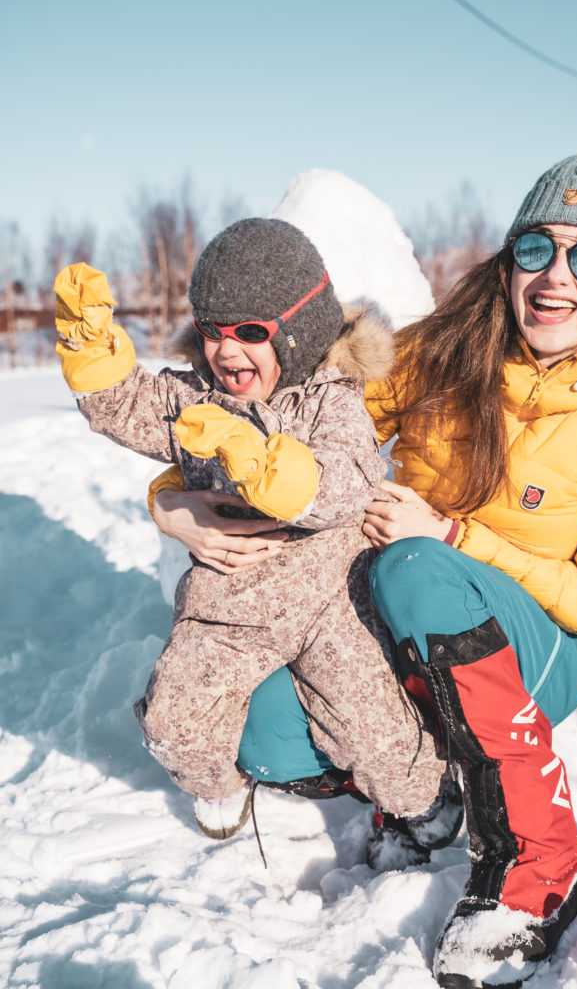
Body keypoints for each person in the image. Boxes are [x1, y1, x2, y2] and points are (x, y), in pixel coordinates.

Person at [153, 151, 577, 988]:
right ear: (507, 261)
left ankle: (541, 867)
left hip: (537, 646)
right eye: (535, 249)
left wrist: (454, 535)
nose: (556, 278)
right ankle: (429, 796)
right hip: (402, 633)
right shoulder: (438, 352)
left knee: (410, 567)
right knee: (257, 731)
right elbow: (300, 434)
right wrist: (171, 497)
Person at [53, 217, 455, 844]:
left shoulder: (333, 400)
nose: (226, 350)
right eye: (212, 331)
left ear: (297, 331)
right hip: (230, 599)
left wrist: (263, 462)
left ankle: (421, 802)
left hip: (333, 597)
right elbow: (129, 407)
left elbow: (345, 485)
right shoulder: (198, 398)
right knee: (174, 721)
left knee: (376, 731)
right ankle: (220, 786)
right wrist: (93, 355)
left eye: (250, 332)